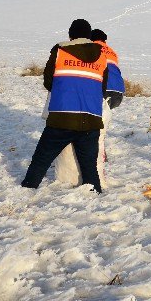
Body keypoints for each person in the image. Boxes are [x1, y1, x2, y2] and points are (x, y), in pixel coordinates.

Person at [22, 19, 108, 194]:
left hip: (62, 117)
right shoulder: (102, 56)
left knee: (42, 158)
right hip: (91, 119)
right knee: (89, 167)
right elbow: (102, 87)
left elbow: (48, 82)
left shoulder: (60, 51)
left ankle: (28, 188)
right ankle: (95, 194)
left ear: (70, 35)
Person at [55, 28, 124, 188]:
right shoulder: (112, 52)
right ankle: (101, 146)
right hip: (118, 94)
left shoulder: (91, 49)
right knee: (102, 122)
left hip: (101, 88)